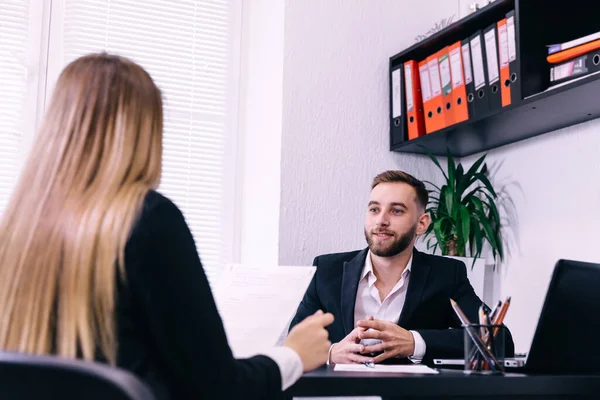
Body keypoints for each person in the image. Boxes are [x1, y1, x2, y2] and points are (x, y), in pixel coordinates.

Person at [0, 53, 334, 400]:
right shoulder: (149, 220)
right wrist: (293, 355)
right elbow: (219, 389)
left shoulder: (16, 233)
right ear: (143, 133)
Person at [289, 170, 514, 365]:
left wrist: (414, 342)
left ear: (422, 223)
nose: (381, 221)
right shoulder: (327, 270)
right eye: (374, 209)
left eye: (396, 211)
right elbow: (293, 342)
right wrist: (332, 353)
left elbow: (498, 341)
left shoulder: (447, 275)